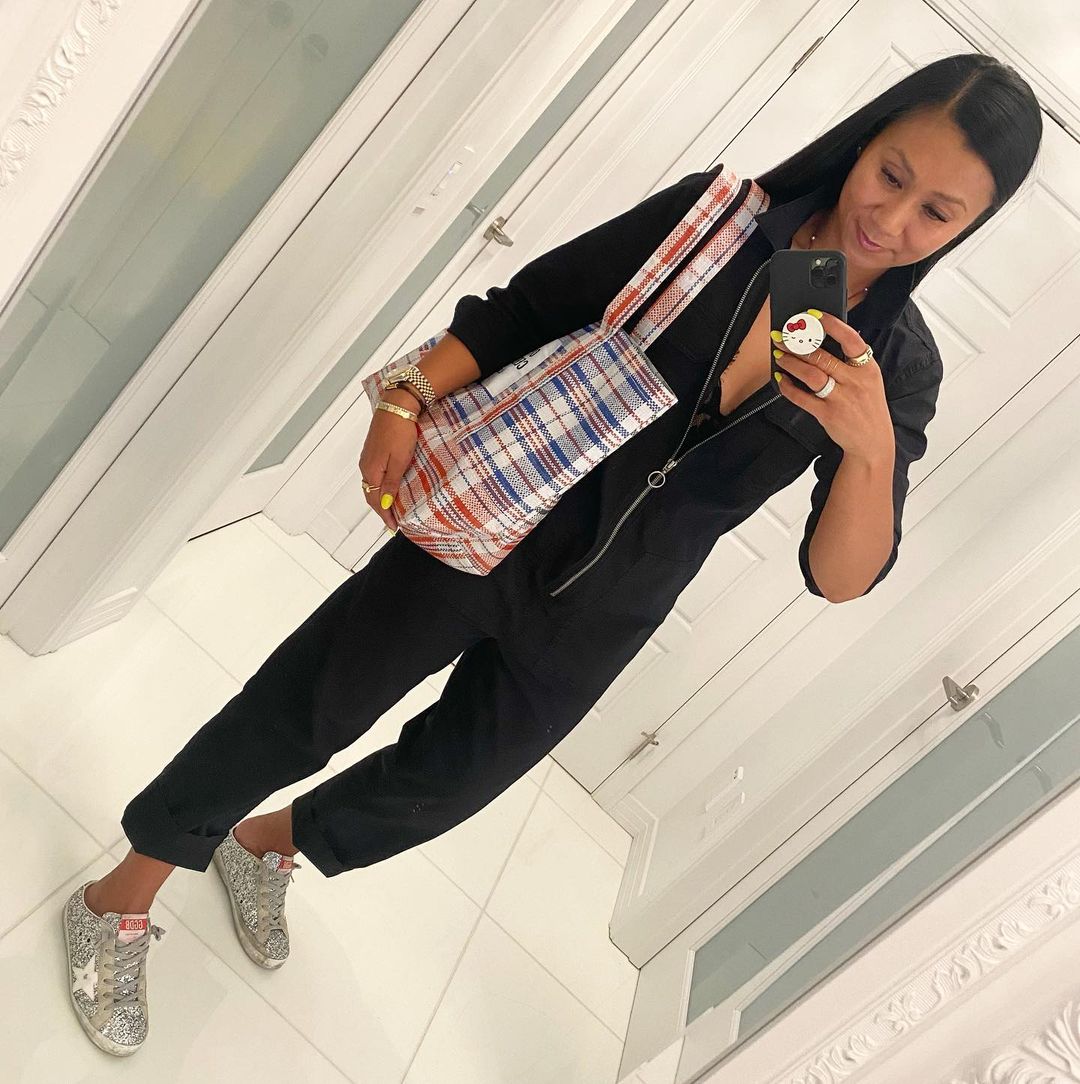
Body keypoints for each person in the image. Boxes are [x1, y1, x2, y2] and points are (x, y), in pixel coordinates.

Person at [63, 51, 1041, 1054]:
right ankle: (121, 895)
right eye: (890, 174)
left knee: (447, 783)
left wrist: (871, 449)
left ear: (968, 227)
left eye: (936, 212)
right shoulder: (717, 222)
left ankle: (266, 844)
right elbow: (531, 307)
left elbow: (839, 577)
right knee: (308, 708)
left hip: (607, 611)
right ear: (864, 141)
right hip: (500, 518)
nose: (890, 219)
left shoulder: (897, 370)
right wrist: (405, 394)